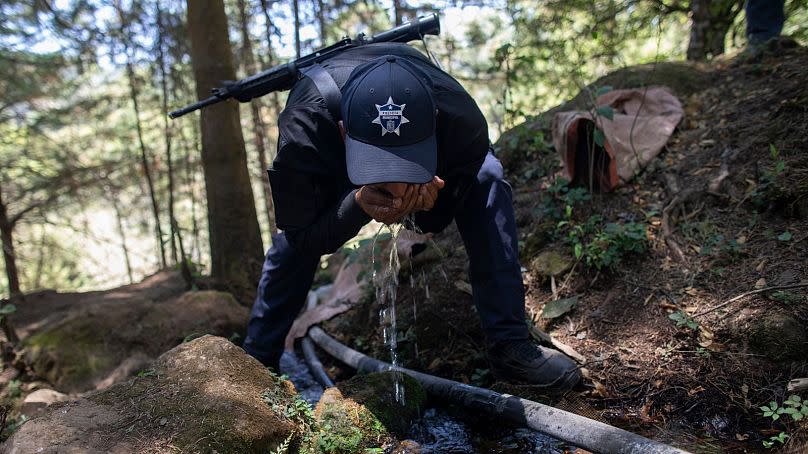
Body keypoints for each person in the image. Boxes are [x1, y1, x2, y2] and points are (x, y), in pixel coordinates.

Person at [243, 41, 581, 392]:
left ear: (434, 124)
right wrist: (356, 204)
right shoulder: (305, 130)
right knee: (289, 247)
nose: (394, 181)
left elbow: (434, 225)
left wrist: (429, 204)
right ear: (345, 132)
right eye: (380, 164)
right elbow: (303, 238)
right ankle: (256, 360)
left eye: (404, 163)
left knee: (488, 178)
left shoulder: (460, 120)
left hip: (436, 139)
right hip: (330, 142)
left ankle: (510, 344)